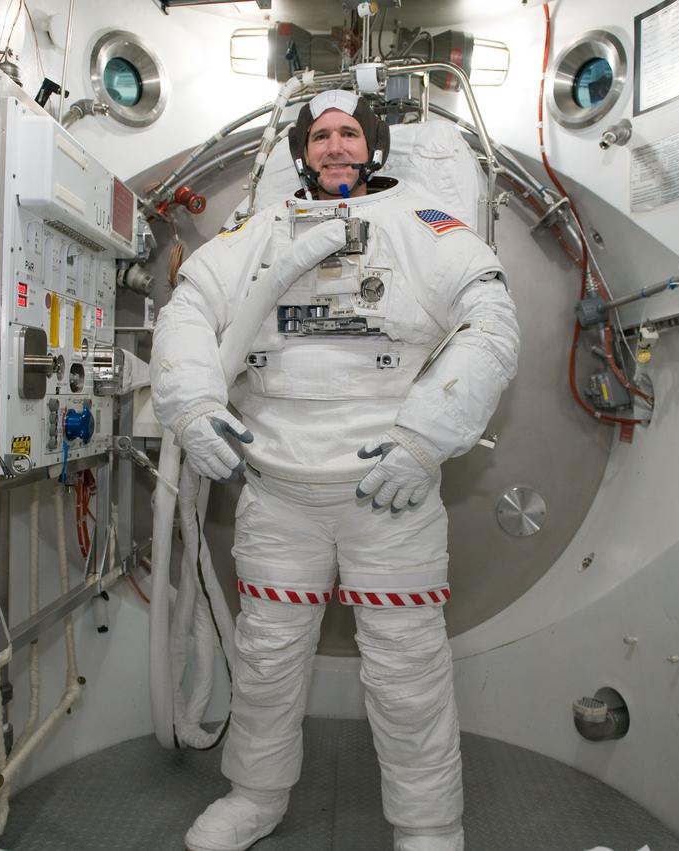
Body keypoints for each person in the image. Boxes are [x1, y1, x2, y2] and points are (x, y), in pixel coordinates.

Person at [151, 89, 519, 851]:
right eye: (320, 137)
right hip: (278, 491)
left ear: (374, 146)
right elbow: (188, 311)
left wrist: (426, 438)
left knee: (407, 666)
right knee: (267, 657)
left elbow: (490, 324)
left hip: (389, 490)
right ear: (301, 153)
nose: (335, 147)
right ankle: (255, 795)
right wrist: (193, 407)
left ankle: (428, 824)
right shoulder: (258, 232)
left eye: (348, 133)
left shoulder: (423, 227)